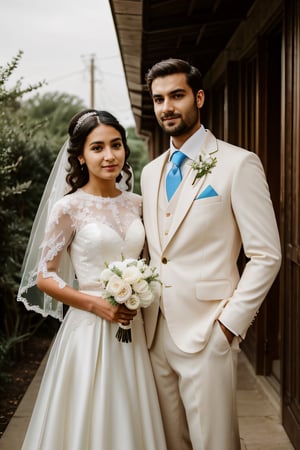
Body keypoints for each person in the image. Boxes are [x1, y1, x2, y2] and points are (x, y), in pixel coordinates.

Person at [140, 58, 282, 450]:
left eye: (177, 96)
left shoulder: (239, 163)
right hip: (154, 330)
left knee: (215, 443)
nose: (167, 107)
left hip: (208, 330)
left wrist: (229, 326)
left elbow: (267, 254)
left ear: (198, 98)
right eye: (158, 99)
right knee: (171, 442)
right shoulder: (150, 172)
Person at [17, 109, 167, 450]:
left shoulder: (139, 205)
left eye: (116, 145)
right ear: (81, 156)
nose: (109, 155)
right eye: (97, 147)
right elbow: (45, 276)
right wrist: (96, 304)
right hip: (88, 329)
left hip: (134, 325)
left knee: (130, 411)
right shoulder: (68, 209)